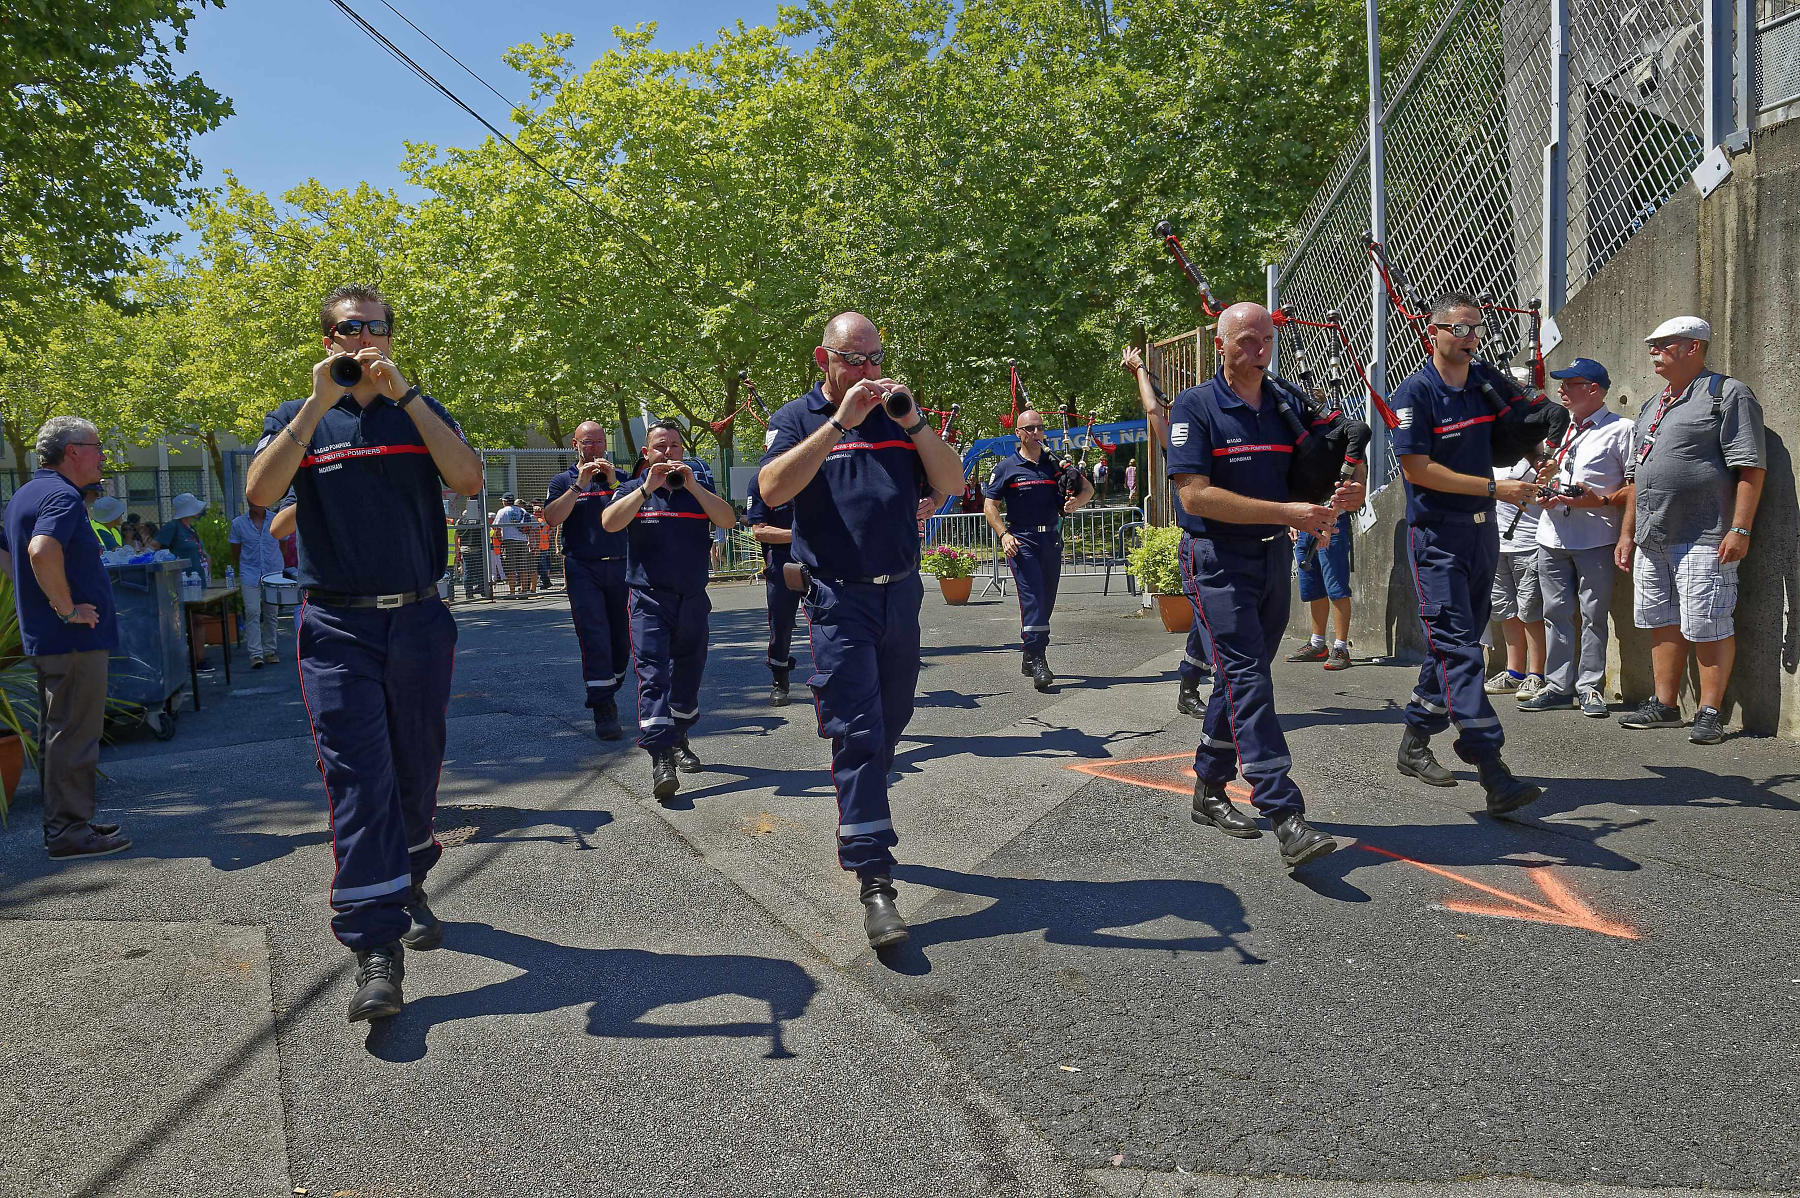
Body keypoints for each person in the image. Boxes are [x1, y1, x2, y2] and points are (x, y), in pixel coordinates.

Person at [244, 282, 483, 1024]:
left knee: (415, 768)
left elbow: (469, 479)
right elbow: (260, 492)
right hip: (337, 628)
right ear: (327, 340)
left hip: (416, 620)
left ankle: (407, 878)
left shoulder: (418, 409)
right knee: (357, 779)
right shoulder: (297, 418)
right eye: (350, 329)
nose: (363, 339)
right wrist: (317, 404)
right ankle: (375, 948)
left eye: (377, 327)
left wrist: (403, 391)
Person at [758, 311, 965, 948]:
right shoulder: (797, 419)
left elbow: (953, 483)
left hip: (899, 594)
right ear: (825, 360)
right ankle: (874, 877)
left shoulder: (899, 416)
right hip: (838, 600)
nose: (868, 372)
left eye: (875, 358)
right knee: (858, 732)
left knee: (891, 720)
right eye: (854, 360)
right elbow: (770, 489)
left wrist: (916, 422)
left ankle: (862, 811)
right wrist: (837, 424)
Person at [1160, 305, 1360, 867]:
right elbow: (1193, 496)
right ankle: (1283, 809)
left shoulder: (1287, 402)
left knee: (1242, 674)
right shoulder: (1196, 407)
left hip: (1273, 556)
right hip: (1217, 559)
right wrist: (1289, 511)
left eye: (1266, 340)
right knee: (1246, 673)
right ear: (1220, 345)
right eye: (1246, 342)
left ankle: (1209, 786)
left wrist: (1349, 486)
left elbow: (1340, 446)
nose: (1258, 351)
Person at [1390, 293, 1542, 814]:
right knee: (1460, 647)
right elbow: (1417, 470)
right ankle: (1490, 766)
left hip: (1482, 532)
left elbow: (1519, 425)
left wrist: (1539, 449)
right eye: (1457, 327)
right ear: (1431, 332)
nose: (1468, 336)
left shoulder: (1484, 381)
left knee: (1454, 645)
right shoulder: (1415, 393)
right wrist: (1496, 489)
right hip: (1437, 535)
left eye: (1476, 328)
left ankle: (1414, 740)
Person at [1615, 316, 1766, 744]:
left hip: (1704, 534)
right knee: (1660, 621)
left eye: (1663, 344)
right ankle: (1665, 705)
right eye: (1652, 345)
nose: (1653, 352)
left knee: (1708, 622)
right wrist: (1628, 534)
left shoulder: (1726, 394)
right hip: (1651, 536)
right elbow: (1635, 477)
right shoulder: (1653, 403)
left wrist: (1740, 528)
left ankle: (1710, 711)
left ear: (1694, 347)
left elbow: (1751, 467)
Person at [0, 417, 127, 860]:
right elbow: (40, 550)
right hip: (72, 639)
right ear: (71, 451)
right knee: (74, 733)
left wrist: (37, 599)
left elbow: (8, 552)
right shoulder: (62, 496)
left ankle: (67, 823)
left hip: (49, 638)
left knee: (60, 731)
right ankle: (69, 832)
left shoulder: (25, 494)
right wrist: (66, 608)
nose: (101, 455)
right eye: (95, 446)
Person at [602, 420, 736, 800]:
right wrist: (648, 487)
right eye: (661, 446)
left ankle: (679, 737)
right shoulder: (632, 489)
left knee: (689, 675)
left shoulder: (698, 488)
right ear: (646, 453)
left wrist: (692, 484)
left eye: (675, 446)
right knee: (653, 674)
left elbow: (727, 519)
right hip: (648, 599)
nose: (669, 452)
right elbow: (609, 523)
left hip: (692, 598)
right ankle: (660, 754)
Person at [1516, 358, 1633, 717]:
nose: (1561, 389)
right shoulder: (1560, 429)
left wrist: (1618, 527)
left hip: (1595, 535)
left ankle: (1590, 687)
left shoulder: (1621, 429)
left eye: (1571, 383)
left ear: (1593, 390)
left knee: (1594, 614)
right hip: (1551, 534)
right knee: (1555, 613)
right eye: (1562, 383)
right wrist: (1546, 486)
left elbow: (1633, 488)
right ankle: (1557, 685)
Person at [1121, 345, 1213, 716]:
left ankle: (1193, 684)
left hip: (1242, 542)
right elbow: (1153, 411)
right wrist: (1142, 369)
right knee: (1214, 621)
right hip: (1202, 544)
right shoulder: (1181, 443)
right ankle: (1204, 691)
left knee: (1214, 621)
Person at [982, 407, 1093, 691]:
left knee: (1046, 600)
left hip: (1051, 540)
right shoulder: (1006, 467)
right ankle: (1040, 658)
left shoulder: (1055, 463)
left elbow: (1087, 490)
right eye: (1029, 428)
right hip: (1022, 541)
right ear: (1018, 433)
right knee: (1032, 598)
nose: (1035, 433)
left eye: (1039, 428)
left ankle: (1029, 653)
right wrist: (1003, 534)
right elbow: (990, 506)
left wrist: (1074, 503)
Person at [542, 422, 629, 739]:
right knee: (594, 637)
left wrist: (615, 481)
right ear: (575, 444)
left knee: (622, 642)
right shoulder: (562, 481)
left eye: (600, 442)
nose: (594, 449)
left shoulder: (620, 478)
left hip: (620, 565)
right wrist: (579, 484)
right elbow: (552, 517)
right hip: (582, 568)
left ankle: (608, 683)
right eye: (588, 443)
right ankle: (604, 708)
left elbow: (636, 506)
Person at [1484, 457, 1548, 699]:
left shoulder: (1539, 447)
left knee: (1531, 609)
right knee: (1504, 609)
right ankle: (1515, 672)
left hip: (1529, 541)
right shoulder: (1494, 448)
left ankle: (1537, 674)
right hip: (1495, 541)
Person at [745, 473, 800, 706]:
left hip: (821, 557)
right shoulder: (760, 481)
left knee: (830, 617)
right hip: (781, 558)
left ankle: (835, 679)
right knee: (781, 621)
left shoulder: (819, 469)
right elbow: (759, 531)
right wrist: (801, 537)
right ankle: (779, 679)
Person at [1284, 508, 1354, 670]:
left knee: (1336, 588)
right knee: (1313, 588)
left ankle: (1341, 648)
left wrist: (1329, 522)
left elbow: (1343, 490)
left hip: (1331, 523)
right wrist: (1292, 521)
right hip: (1304, 526)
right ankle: (1317, 645)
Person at [228, 499, 286, 668]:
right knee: (252, 611)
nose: (254, 503)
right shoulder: (238, 524)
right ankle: (255, 654)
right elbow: (235, 552)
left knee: (271, 613)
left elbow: (284, 546)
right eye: (251, 500)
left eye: (258, 499)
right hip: (250, 573)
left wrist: (276, 565)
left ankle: (269, 650)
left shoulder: (277, 519)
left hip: (273, 572)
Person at [154, 492, 208, 576]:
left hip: (198, 579)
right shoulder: (172, 526)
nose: (199, 510)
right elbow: (154, 547)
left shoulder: (191, 528)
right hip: (182, 580)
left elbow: (201, 552)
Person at [492, 493, 529, 597]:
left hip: (508, 541)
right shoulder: (522, 510)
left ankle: (512, 592)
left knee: (510, 567)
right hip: (522, 540)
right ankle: (524, 591)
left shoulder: (502, 511)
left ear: (504, 501)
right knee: (523, 566)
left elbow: (497, 528)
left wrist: (500, 540)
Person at [529, 504, 554, 591]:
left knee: (539, 566)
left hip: (539, 546)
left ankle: (546, 582)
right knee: (541, 565)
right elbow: (551, 529)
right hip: (544, 545)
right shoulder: (545, 518)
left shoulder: (538, 519)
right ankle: (545, 582)